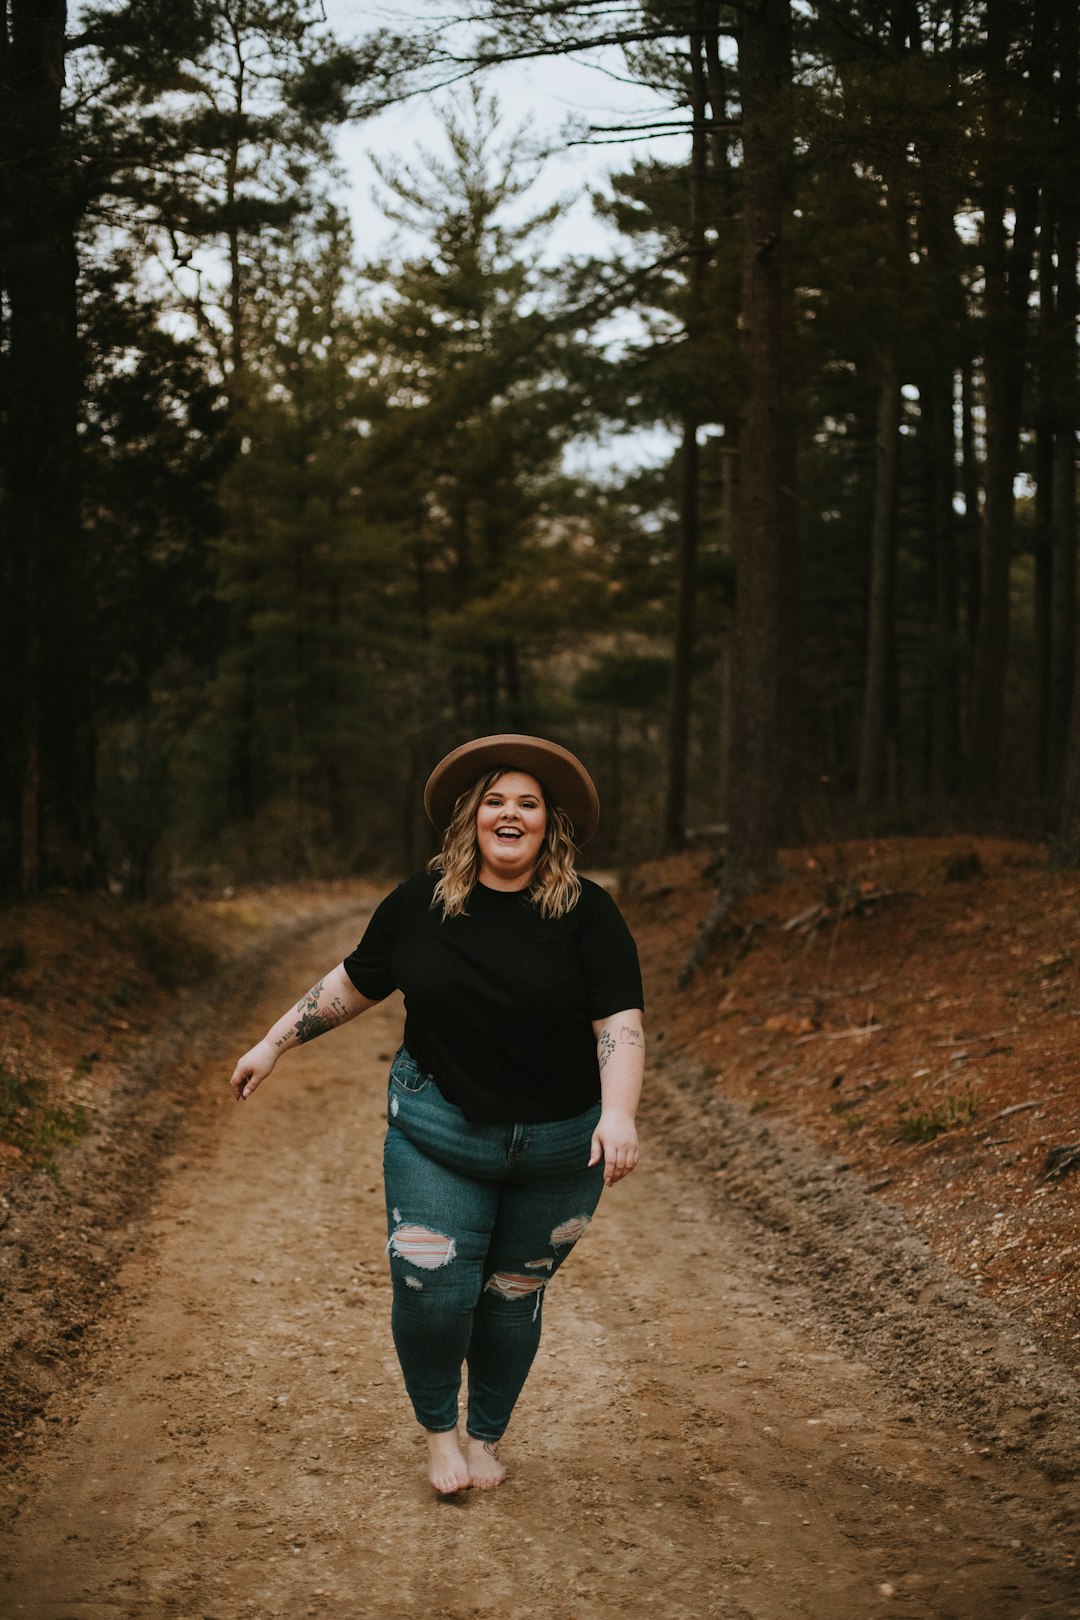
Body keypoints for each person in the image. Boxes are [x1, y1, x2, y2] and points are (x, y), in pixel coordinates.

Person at [228, 734, 645, 1495]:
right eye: (495, 800)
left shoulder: (589, 913)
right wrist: (272, 1043)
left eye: (528, 803)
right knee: (433, 1292)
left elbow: (619, 1023)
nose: (510, 813)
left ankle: (485, 1435)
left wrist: (617, 1115)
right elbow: (354, 983)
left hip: (559, 1151)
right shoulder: (421, 903)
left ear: (550, 824)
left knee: (513, 1297)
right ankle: (439, 1437)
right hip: (439, 1134)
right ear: (471, 817)